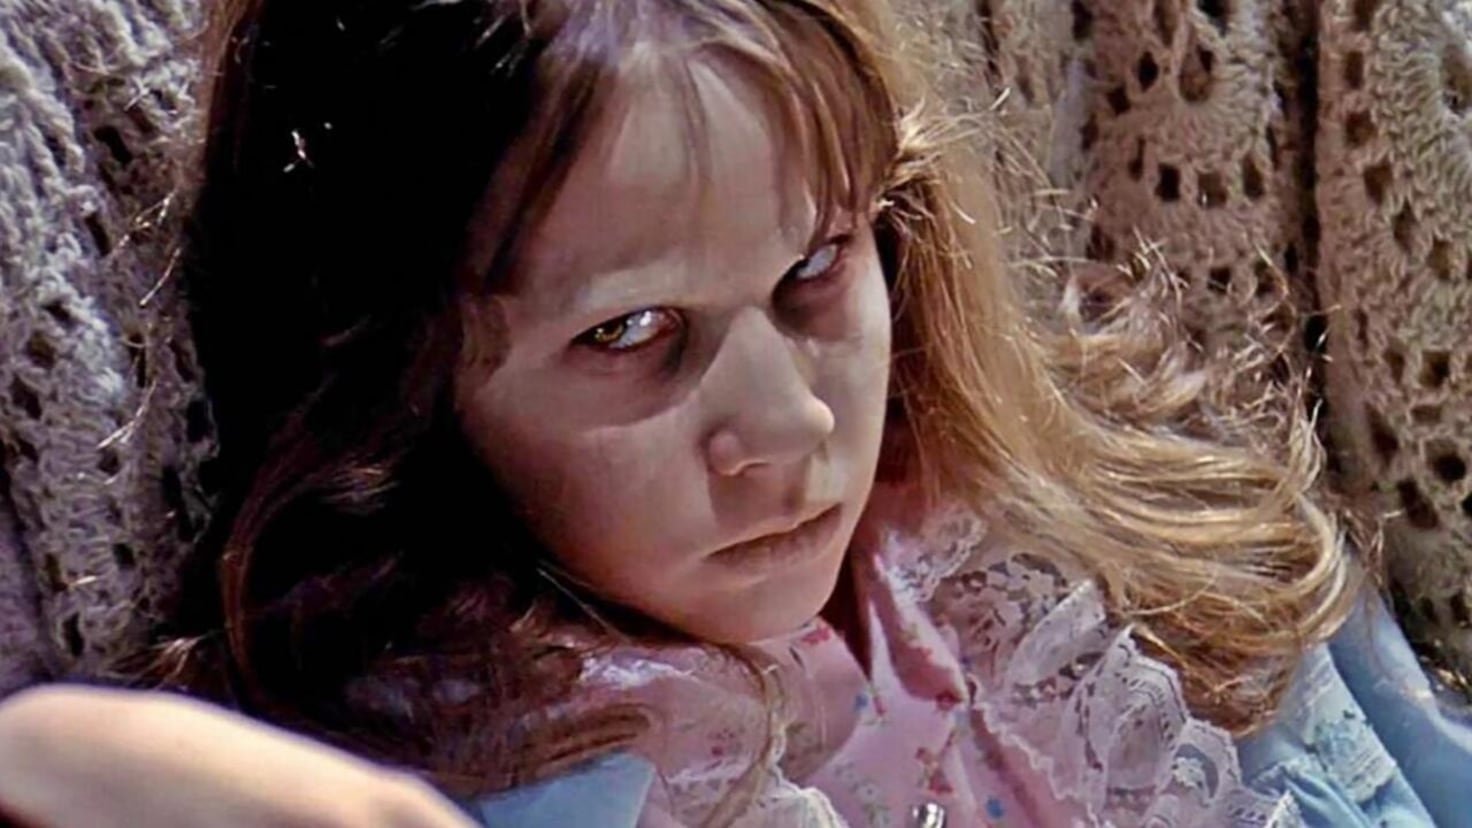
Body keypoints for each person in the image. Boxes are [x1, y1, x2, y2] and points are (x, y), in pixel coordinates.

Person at [0, 0, 1455, 825]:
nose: (793, 428)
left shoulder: (1081, 550)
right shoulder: (495, 781)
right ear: (403, 390)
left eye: (815, 269)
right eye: (628, 334)